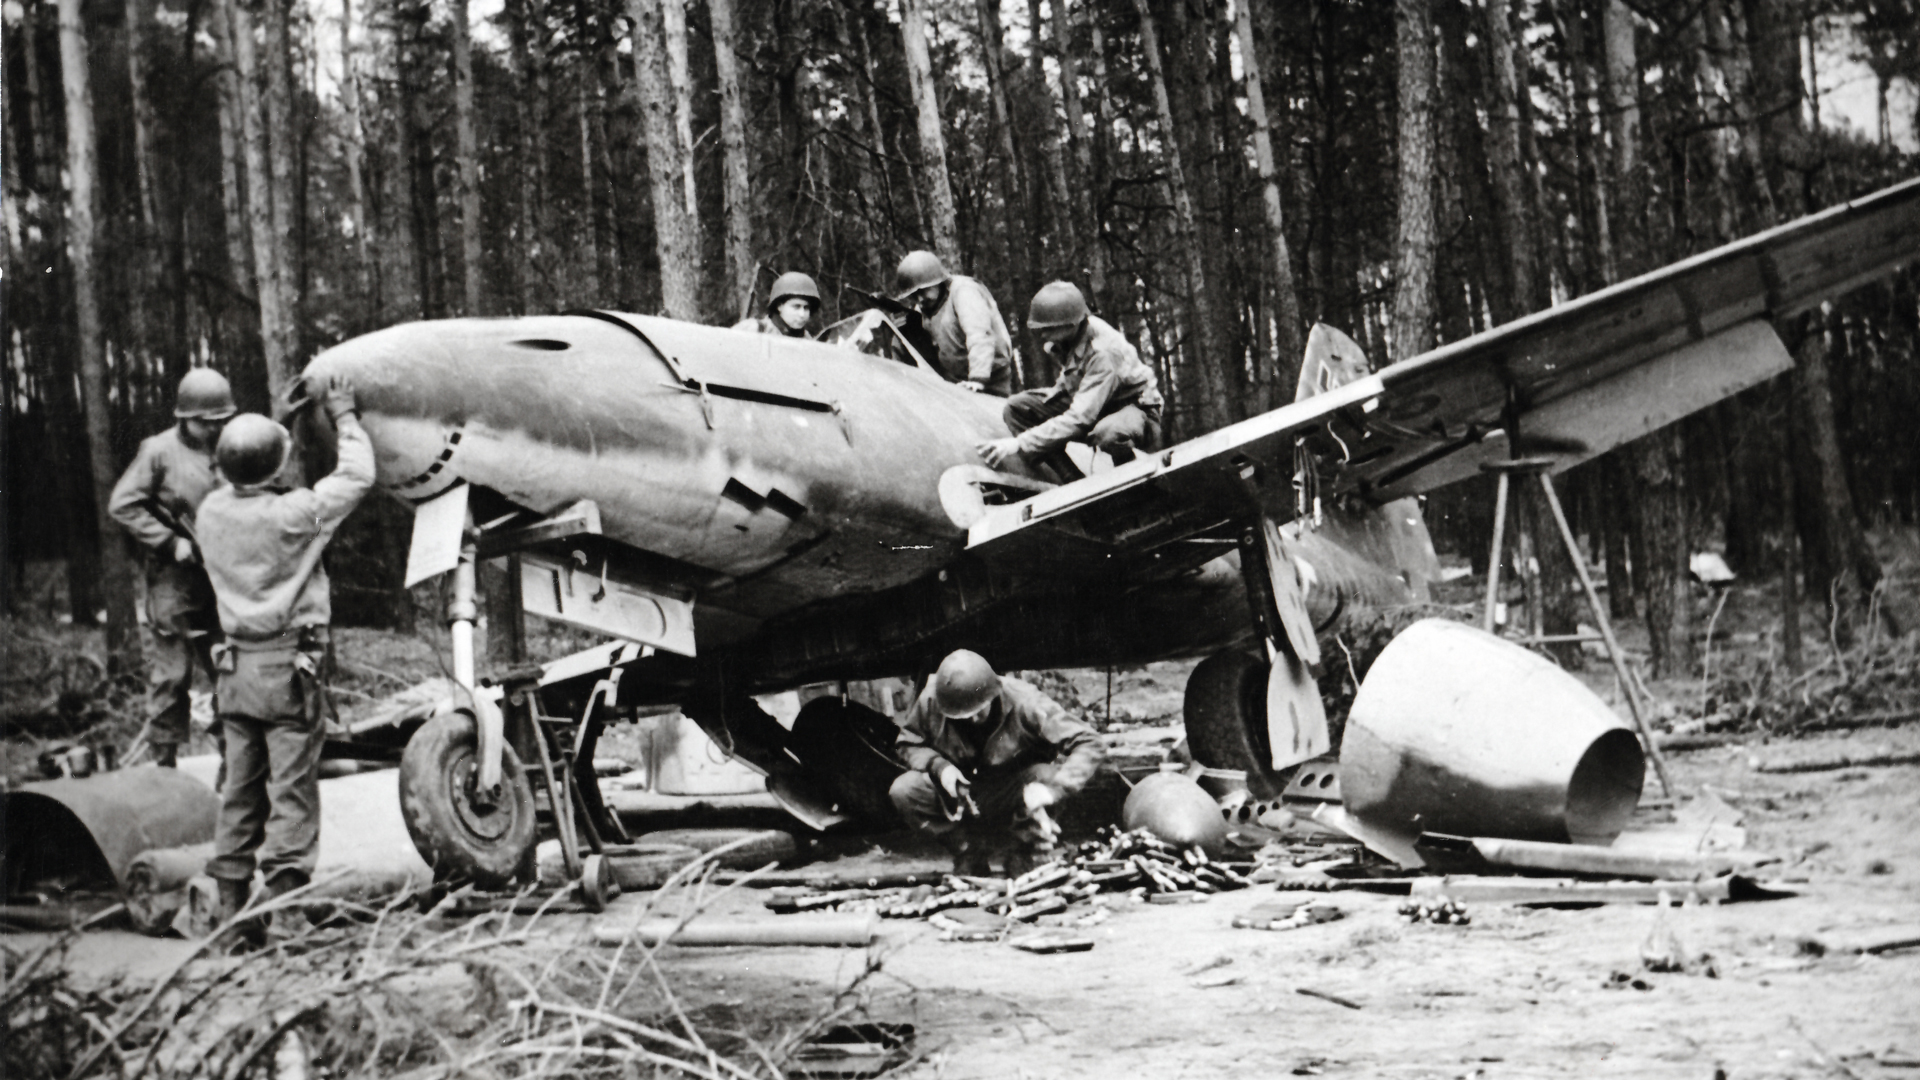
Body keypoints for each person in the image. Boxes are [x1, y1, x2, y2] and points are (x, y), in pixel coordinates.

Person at [196, 376, 374, 935]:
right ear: (273, 468)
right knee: (292, 790)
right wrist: (345, 417)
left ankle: (231, 908)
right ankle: (284, 909)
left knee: (240, 791)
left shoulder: (210, 514)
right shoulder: (299, 518)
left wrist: (275, 427)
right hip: (286, 671)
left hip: (235, 674)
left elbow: (237, 475)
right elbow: (356, 478)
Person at [107, 369, 237, 768]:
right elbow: (123, 504)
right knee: (172, 673)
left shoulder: (233, 447)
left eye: (220, 422)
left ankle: (236, 762)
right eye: (204, 423)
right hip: (174, 577)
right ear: (184, 417)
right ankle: (164, 765)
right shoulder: (158, 451)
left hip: (223, 576)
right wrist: (171, 542)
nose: (212, 430)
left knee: (228, 668)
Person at [889, 649, 1105, 876]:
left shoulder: (1026, 702)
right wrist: (940, 767)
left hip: (1014, 787)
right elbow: (908, 744)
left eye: (978, 711)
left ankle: (1025, 851)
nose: (972, 720)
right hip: (963, 792)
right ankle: (967, 851)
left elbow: (1090, 742)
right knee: (905, 790)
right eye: (961, 715)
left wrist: (1053, 790)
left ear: (992, 694)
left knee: (1046, 776)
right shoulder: (935, 700)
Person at [977, 281, 1162, 482]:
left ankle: (1134, 479)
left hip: (1134, 409)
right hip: (1094, 403)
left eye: (1049, 328)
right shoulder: (1069, 338)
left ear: (1070, 324)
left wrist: (1020, 443)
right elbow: (1072, 380)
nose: (1043, 335)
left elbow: (1080, 418)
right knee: (1017, 408)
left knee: (1109, 432)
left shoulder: (1104, 353)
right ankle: (1073, 481)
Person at [891, 250, 1013, 396]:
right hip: (956, 382)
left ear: (937, 281)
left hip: (990, 379)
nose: (920, 299)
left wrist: (978, 378)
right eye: (914, 296)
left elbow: (980, 335)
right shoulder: (925, 307)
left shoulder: (964, 292)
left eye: (923, 291)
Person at [733, 271, 821, 338]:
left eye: (806, 308)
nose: (802, 314)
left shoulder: (808, 341)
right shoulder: (753, 330)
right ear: (780, 306)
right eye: (796, 307)